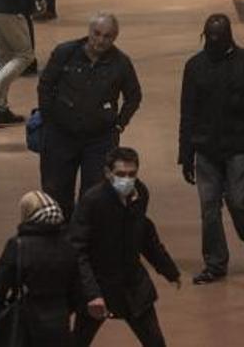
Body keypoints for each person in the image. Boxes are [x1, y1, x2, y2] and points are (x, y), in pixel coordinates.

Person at [178, 13, 244, 284]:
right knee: (209, 208)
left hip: (239, 145)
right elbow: (187, 112)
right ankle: (215, 263)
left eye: (218, 37)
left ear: (228, 36)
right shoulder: (195, 67)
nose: (213, 42)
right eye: (209, 37)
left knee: (238, 201)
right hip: (205, 147)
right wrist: (185, 154)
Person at [71, 147, 181, 347]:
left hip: (133, 284)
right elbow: (78, 250)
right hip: (99, 284)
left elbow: (145, 236)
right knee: (79, 340)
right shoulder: (92, 202)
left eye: (132, 174)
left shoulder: (141, 194)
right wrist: (92, 293)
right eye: (121, 174)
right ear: (107, 173)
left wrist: (168, 269)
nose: (127, 179)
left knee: (155, 342)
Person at [37, 12, 142, 218]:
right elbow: (45, 85)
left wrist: (119, 124)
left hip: (99, 140)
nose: (100, 40)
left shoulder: (121, 63)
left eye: (107, 36)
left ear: (115, 37)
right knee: (56, 193)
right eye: (97, 34)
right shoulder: (65, 53)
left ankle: (86, 242)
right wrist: (48, 118)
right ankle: (59, 241)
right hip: (61, 136)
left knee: (94, 197)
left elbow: (134, 96)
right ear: (89, 32)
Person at [0, 191, 82, 346]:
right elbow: (78, 292)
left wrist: (3, 317)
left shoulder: (18, 245)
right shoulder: (68, 246)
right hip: (59, 324)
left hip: (26, 323)